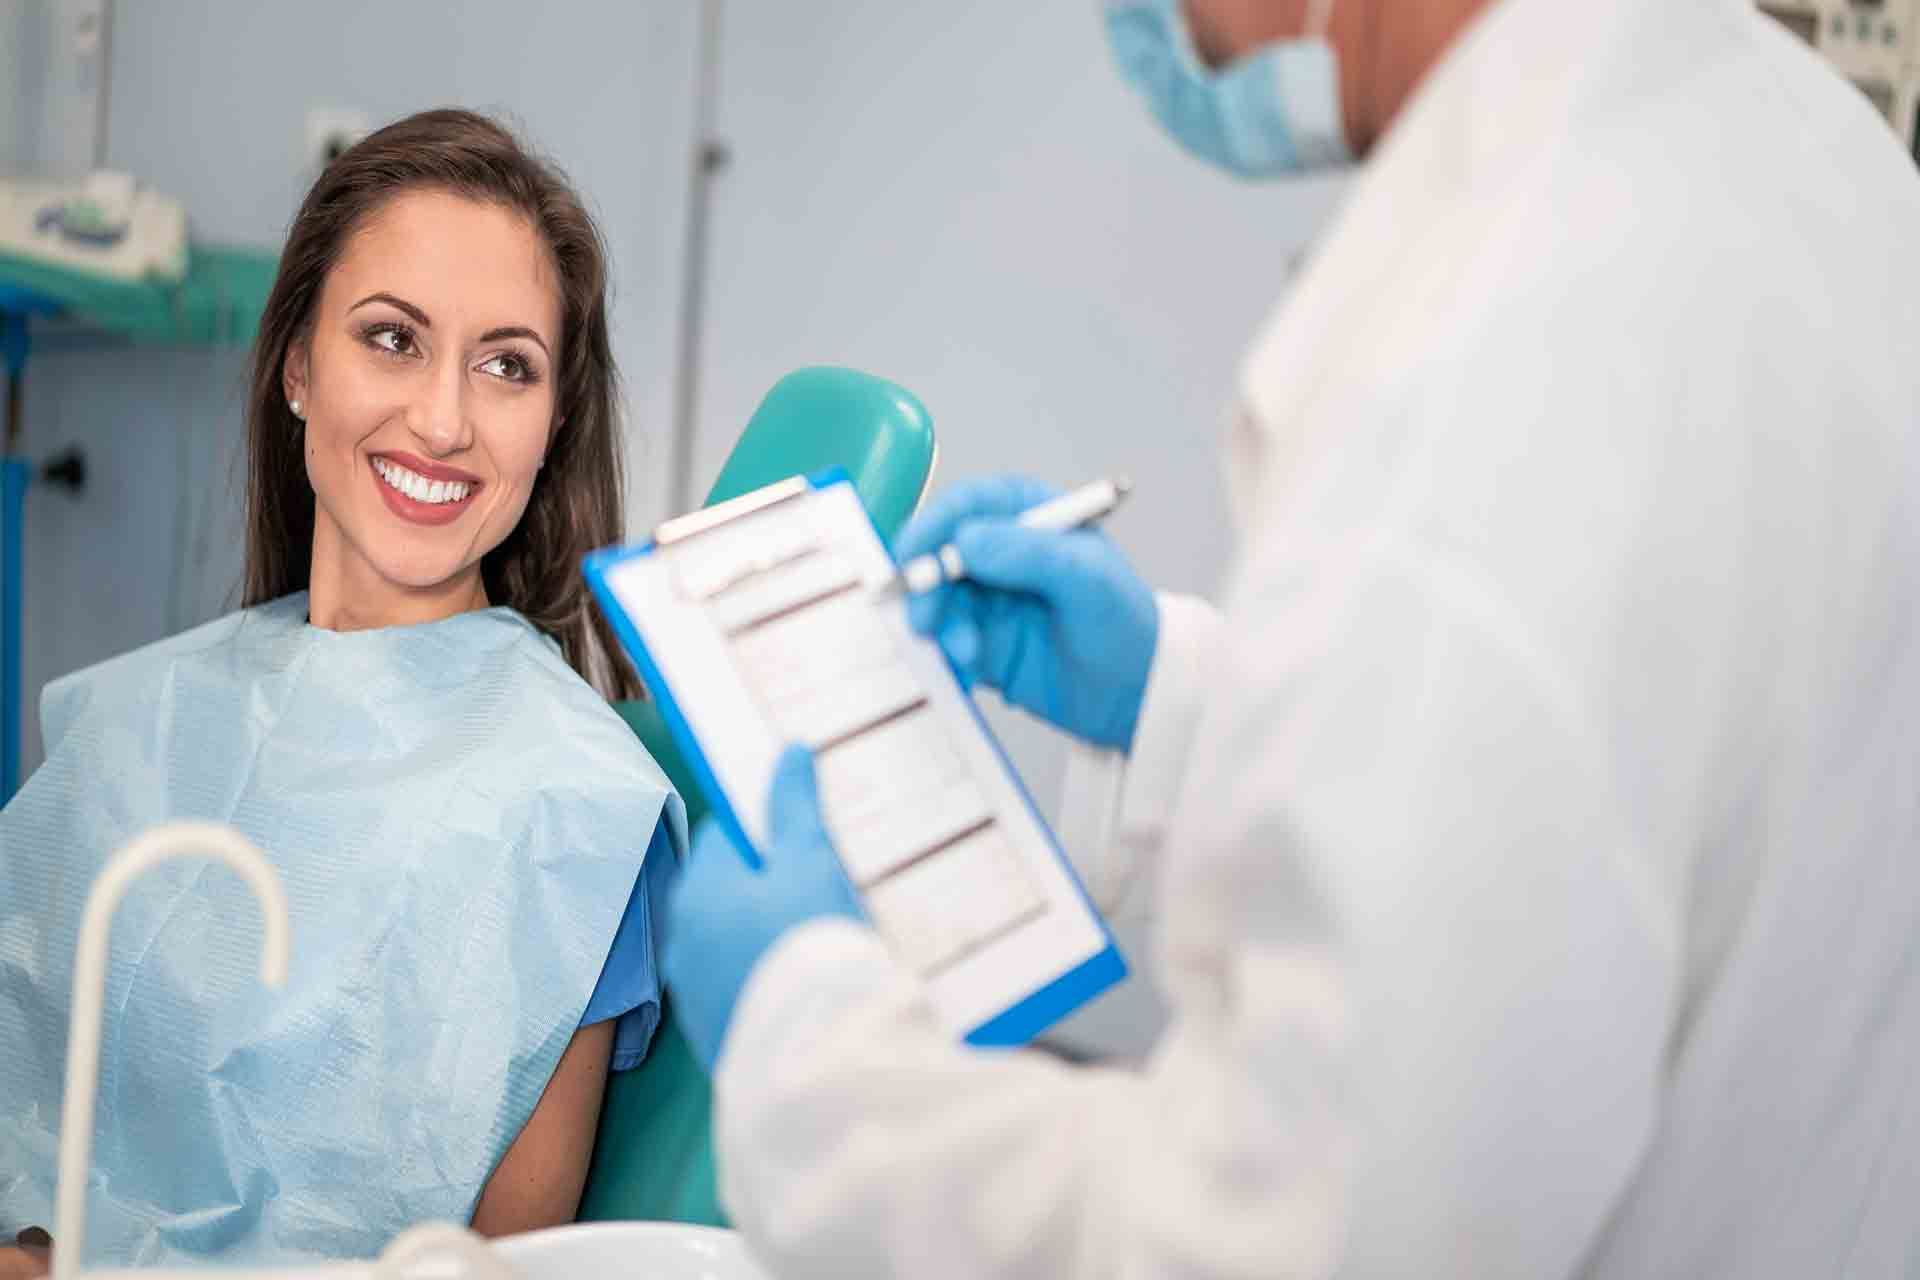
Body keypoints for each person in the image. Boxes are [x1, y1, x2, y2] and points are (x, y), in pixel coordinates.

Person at [662, 0, 1920, 1274]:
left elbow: (1272, 1241)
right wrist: (1175, 700)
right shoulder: (1814, 147)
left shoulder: (1487, 349)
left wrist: (806, 1038)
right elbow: (1600, 788)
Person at [0, 109, 683, 1270]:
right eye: (392, 338)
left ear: (554, 417)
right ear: (299, 367)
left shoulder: (579, 809)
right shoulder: (129, 721)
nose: (443, 419)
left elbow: (505, 1263)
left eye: (506, 364)